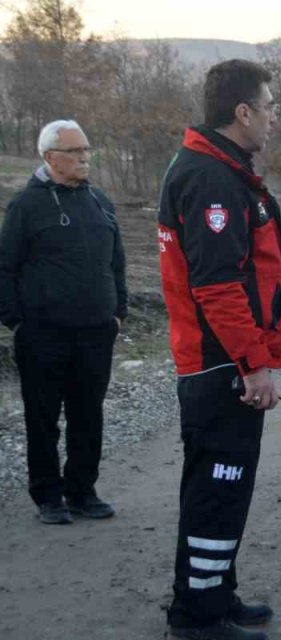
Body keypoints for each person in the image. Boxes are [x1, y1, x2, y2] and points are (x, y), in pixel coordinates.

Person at [157, 59, 281, 640]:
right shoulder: (211, 177)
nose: (274, 118)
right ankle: (198, 618)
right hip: (221, 367)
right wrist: (253, 363)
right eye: (268, 107)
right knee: (219, 488)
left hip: (217, 363)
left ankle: (215, 594)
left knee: (218, 488)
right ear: (241, 112)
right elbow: (217, 286)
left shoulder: (221, 169)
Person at [0, 119, 127, 524]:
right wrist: (15, 320)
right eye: (75, 151)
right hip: (43, 334)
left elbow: (116, 261)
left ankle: (82, 491)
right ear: (49, 156)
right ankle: (48, 497)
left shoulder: (100, 202)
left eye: (86, 149)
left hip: (95, 331)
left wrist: (118, 311)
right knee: (43, 418)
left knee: (88, 414)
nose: (84, 157)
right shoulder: (26, 206)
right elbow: (5, 268)